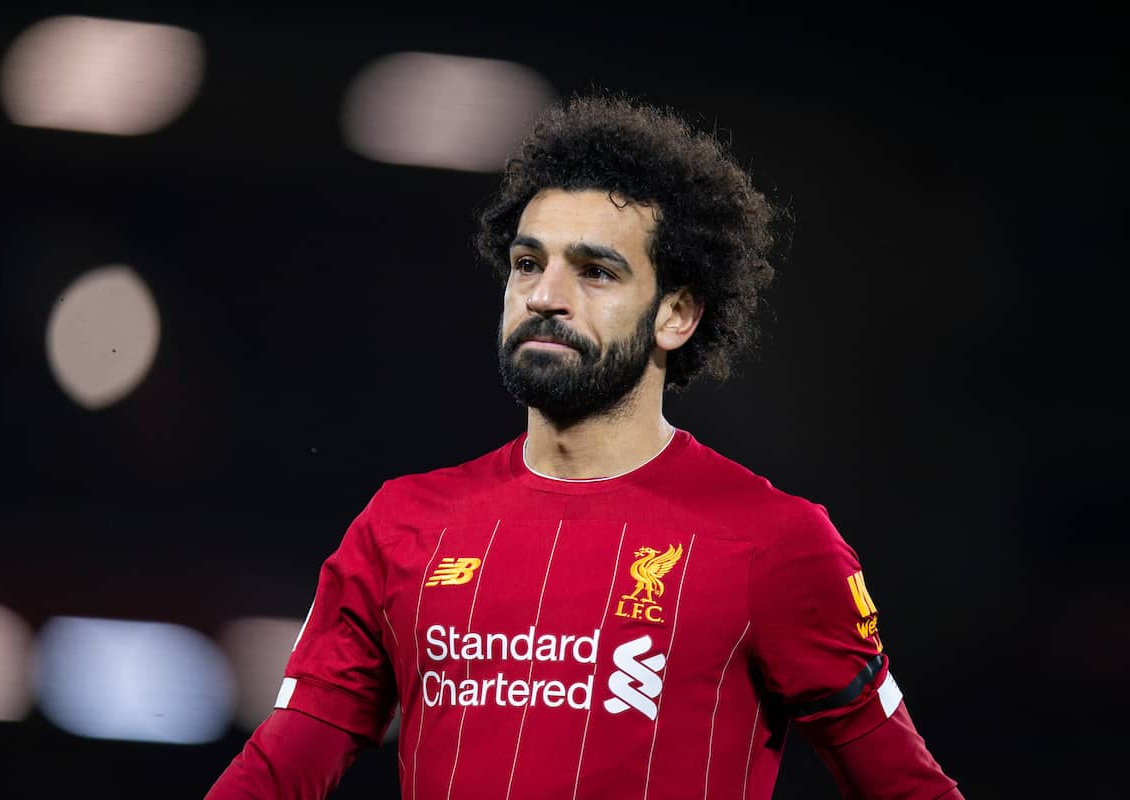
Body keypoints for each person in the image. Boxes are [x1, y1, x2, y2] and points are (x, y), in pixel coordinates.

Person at [207, 90, 963, 799]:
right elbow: (283, 765)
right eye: (529, 264)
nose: (545, 296)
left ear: (676, 315)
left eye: (596, 271)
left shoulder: (777, 544)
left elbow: (907, 787)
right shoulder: (402, 524)